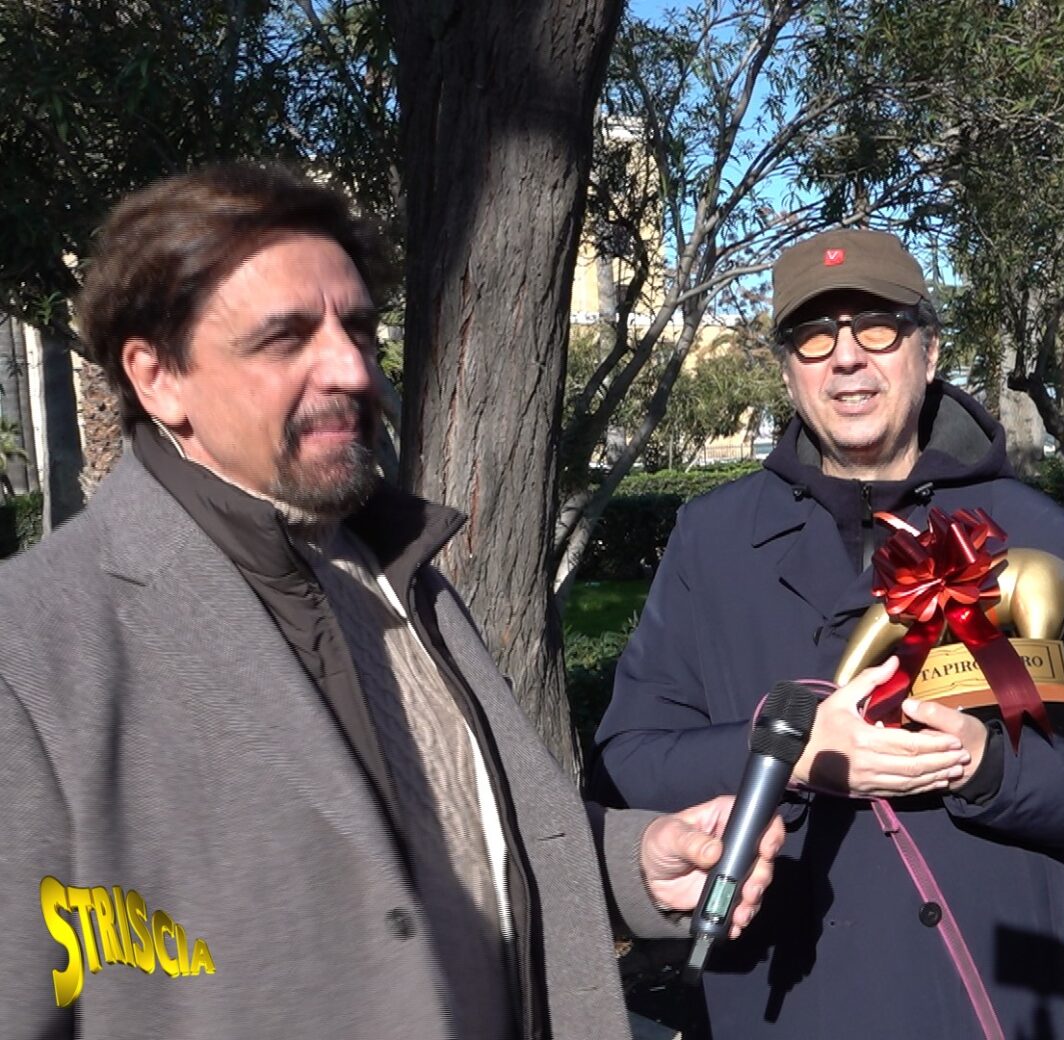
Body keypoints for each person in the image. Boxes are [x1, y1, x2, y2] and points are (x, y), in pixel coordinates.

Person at [0, 164, 782, 1040]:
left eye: (358, 330)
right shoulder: (31, 654)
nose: (352, 369)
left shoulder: (402, 575)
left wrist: (632, 864)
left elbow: (436, 849)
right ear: (158, 378)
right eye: (285, 337)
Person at [591, 227, 1064, 1038]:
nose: (846, 358)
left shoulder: (1032, 535)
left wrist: (986, 768)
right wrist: (792, 756)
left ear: (927, 349)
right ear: (787, 370)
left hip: (982, 997)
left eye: (876, 327)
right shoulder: (713, 540)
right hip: (779, 1000)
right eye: (815, 336)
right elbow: (629, 757)